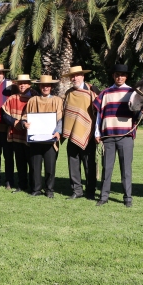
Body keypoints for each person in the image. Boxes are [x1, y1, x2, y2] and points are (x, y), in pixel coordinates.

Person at [94, 64, 140, 207]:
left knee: (126, 168)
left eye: (122, 75)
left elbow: (137, 114)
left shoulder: (133, 93)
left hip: (125, 136)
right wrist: (97, 132)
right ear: (113, 76)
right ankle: (103, 197)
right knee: (106, 168)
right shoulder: (105, 93)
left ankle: (128, 198)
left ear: (126, 76)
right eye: (117, 74)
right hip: (107, 136)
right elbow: (99, 115)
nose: (119, 77)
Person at [61, 66, 101, 200]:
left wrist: (98, 132)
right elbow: (64, 112)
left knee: (89, 164)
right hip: (72, 134)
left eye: (77, 75)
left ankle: (90, 191)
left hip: (88, 134)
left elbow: (99, 112)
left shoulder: (92, 90)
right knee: (73, 164)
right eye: (72, 76)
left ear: (82, 76)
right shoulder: (68, 93)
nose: (74, 78)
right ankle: (76, 190)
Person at [22, 75, 63, 198]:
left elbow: (60, 119)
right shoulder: (33, 101)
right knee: (35, 166)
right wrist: (25, 124)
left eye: (48, 85)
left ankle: (49, 189)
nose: (45, 88)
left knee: (50, 166)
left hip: (50, 140)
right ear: (39, 86)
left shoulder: (57, 100)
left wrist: (58, 132)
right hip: (35, 139)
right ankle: (36, 189)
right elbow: (24, 117)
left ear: (51, 87)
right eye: (43, 85)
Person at [1, 74, 35, 193]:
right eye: (20, 83)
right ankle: (22, 185)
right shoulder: (12, 98)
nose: (22, 85)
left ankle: (34, 186)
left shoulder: (35, 97)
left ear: (29, 85)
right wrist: (14, 121)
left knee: (32, 162)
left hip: (31, 135)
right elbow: (4, 114)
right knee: (20, 161)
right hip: (16, 134)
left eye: (25, 83)